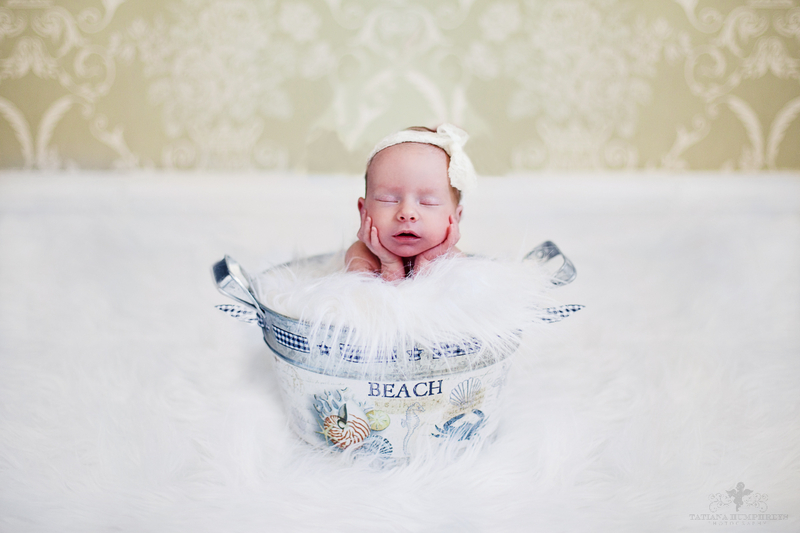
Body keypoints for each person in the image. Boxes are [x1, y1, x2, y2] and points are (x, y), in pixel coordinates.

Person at [345, 124, 477, 281]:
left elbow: (440, 297)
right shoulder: (361, 255)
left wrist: (426, 262)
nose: (407, 213)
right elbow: (366, 295)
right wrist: (389, 264)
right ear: (363, 211)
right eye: (388, 199)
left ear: (456, 217)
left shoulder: (453, 260)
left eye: (428, 202)